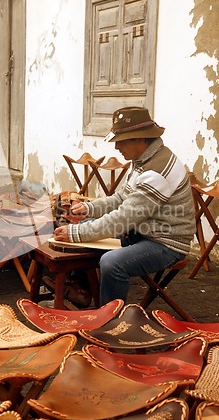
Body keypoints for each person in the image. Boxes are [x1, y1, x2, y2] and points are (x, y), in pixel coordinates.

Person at [53, 106, 196, 306]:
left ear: (141, 139)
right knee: (86, 223)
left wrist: (76, 232)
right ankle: (81, 291)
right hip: (142, 232)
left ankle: (111, 321)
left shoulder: (156, 171)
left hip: (165, 243)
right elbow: (122, 199)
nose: (116, 147)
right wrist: (90, 209)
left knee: (112, 263)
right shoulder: (144, 159)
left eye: (120, 141)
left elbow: (123, 218)